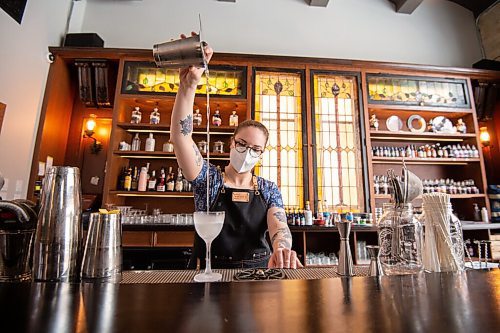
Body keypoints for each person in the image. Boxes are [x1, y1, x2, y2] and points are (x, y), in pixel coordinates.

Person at [170, 33, 302, 269]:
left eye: (255, 149)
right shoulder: (207, 179)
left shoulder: (268, 189)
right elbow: (181, 137)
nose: (247, 152)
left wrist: (282, 249)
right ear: (231, 143)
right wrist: (189, 86)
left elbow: (278, 225)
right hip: (211, 274)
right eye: (242, 144)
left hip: (258, 276)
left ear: (261, 154)